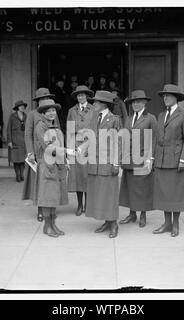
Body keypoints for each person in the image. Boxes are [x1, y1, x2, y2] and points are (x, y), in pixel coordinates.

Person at [77, 91, 122, 238]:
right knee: (100, 194)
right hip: (95, 163)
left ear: (104, 104)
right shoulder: (93, 118)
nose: (93, 104)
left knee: (110, 194)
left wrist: (116, 163)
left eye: (96, 102)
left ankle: (113, 223)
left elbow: (118, 143)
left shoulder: (114, 119)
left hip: (108, 163)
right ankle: (107, 221)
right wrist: (81, 149)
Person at [152, 84, 184, 237]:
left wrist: (183, 159)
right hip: (162, 160)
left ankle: (175, 224)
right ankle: (166, 223)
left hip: (177, 160)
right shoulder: (161, 115)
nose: (165, 98)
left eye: (168, 95)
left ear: (176, 98)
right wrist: (153, 157)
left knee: (176, 193)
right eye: (164, 96)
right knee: (164, 193)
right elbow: (157, 138)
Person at [34, 98, 74, 237]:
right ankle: (47, 226)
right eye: (48, 111)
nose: (51, 113)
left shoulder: (53, 125)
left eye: (53, 110)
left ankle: (52, 224)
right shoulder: (41, 126)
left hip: (56, 164)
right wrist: (67, 152)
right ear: (43, 113)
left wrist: (64, 160)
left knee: (53, 196)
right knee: (47, 196)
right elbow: (48, 147)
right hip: (47, 165)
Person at [119, 90, 157, 228]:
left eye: (138, 102)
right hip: (129, 159)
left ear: (145, 103)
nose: (136, 104)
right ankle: (132, 214)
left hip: (142, 158)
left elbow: (153, 139)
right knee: (130, 187)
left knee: (142, 188)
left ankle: (143, 215)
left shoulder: (150, 118)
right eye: (133, 102)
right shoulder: (129, 118)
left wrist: (150, 158)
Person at [23, 88, 58, 222]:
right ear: (38, 101)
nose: (45, 101)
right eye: (42, 99)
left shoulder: (53, 112)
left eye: (47, 98)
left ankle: (52, 210)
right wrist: (30, 152)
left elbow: (58, 130)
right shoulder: (32, 114)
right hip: (38, 153)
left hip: (52, 151)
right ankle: (40, 210)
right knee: (40, 184)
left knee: (52, 183)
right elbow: (28, 134)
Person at [66, 85, 95, 216]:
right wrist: (70, 149)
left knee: (87, 176)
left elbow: (96, 129)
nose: (80, 97)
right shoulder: (72, 111)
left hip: (89, 145)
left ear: (87, 96)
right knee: (78, 177)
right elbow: (69, 130)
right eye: (78, 95)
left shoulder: (94, 110)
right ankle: (79, 205)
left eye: (82, 95)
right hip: (77, 146)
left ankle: (89, 205)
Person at [7, 100, 28, 182]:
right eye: (20, 106)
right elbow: (8, 129)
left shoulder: (26, 116)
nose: (22, 107)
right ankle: (18, 176)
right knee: (16, 160)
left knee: (22, 160)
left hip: (23, 141)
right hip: (15, 141)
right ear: (17, 108)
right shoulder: (12, 116)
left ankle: (22, 175)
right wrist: (9, 141)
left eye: (23, 106)